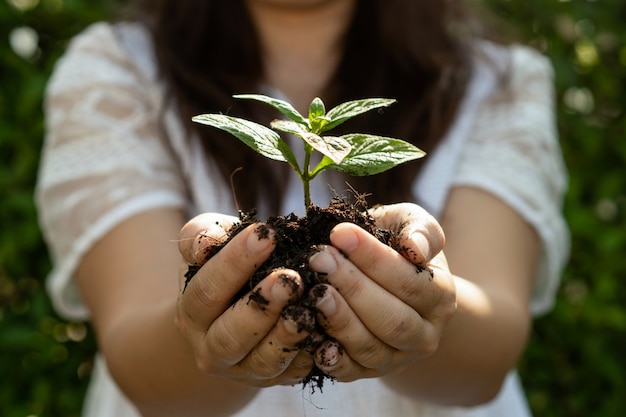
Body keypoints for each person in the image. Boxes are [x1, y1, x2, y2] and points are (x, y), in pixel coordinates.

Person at [35, 1, 569, 416]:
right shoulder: (118, 70)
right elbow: (137, 357)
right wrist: (208, 309)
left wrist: (420, 302)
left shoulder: (495, 79)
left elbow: (490, 352)